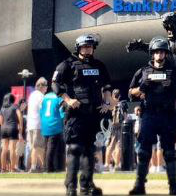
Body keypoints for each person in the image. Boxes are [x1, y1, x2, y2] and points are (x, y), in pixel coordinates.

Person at [52, 34, 112, 196]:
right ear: (78, 47)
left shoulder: (99, 65)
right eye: (85, 46)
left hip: (94, 114)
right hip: (75, 114)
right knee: (75, 148)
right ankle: (70, 186)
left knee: (89, 149)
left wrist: (107, 102)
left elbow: (107, 86)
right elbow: (55, 83)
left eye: (90, 46)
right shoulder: (68, 65)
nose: (88, 49)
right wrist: (68, 100)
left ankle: (86, 185)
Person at [128, 36, 176, 196]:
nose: (159, 55)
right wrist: (142, 87)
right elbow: (130, 93)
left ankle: (173, 186)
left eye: (162, 52)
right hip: (149, 114)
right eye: (156, 52)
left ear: (166, 54)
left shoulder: (175, 71)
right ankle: (139, 185)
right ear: (152, 54)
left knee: (169, 152)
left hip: (168, 115)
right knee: (143, 152)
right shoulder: (142, 71)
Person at [41, 87, 65, 172]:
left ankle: (45, 167)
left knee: (46, 147)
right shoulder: (59, 97)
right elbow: (62, 112)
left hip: (44, 124)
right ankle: (49, 168)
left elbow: (41, 111)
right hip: (55, 124)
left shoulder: (45, 97)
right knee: (52, 147)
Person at [27, 77, 48, 172]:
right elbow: (43, 110)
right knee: (39, 147)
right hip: (38, 125)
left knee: (35, 147)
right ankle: (35, 166)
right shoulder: (41, 96)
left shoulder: (32, 95)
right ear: (42, 87)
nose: (47, 88)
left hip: (30, 124)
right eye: (46, 86)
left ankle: (42, 166)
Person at [0, 93, 22, 173]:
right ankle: (12, 168)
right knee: (12, 148)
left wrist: (3, 126)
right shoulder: (15, 106)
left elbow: (1, 120)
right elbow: (19, 116)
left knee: (4, 149)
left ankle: (3, 168)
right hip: (12, 127)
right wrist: (21, 126)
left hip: (3, 129)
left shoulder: (2, 108)